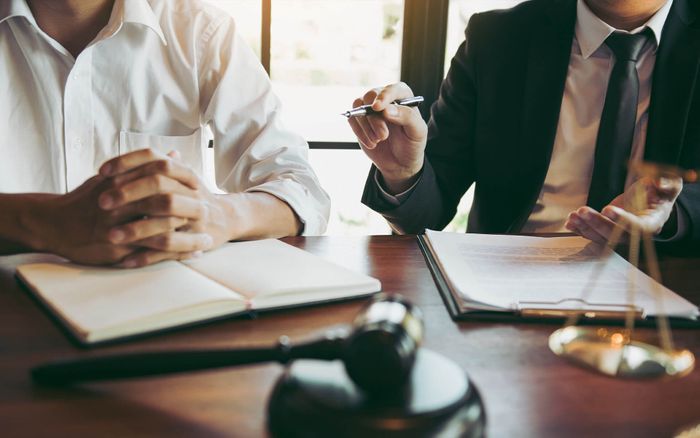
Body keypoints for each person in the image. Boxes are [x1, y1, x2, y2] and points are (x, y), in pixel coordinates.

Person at [0, 0, 330, 268]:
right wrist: (46, 222)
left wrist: (218, 214)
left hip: (169, 306)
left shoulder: (201, 32)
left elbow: (301, 192)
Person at [350, 0, 700, 246]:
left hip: (661, 283)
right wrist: (404, 173)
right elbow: (427, 216)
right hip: (508, 283)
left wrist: (672, 216)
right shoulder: (498, 38)